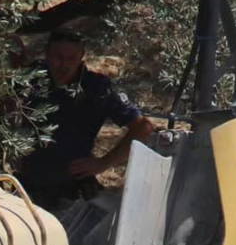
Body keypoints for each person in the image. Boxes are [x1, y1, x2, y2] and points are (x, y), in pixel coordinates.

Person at [15, 29, 155, 210]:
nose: (64, 64)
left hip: (73, 187)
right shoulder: (30, 79)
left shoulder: (97, 87)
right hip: (28, 185)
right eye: (58, 57)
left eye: (71, 58)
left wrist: (104, 163)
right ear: (47, 54)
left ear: (82, 56)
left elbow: (143, 128)